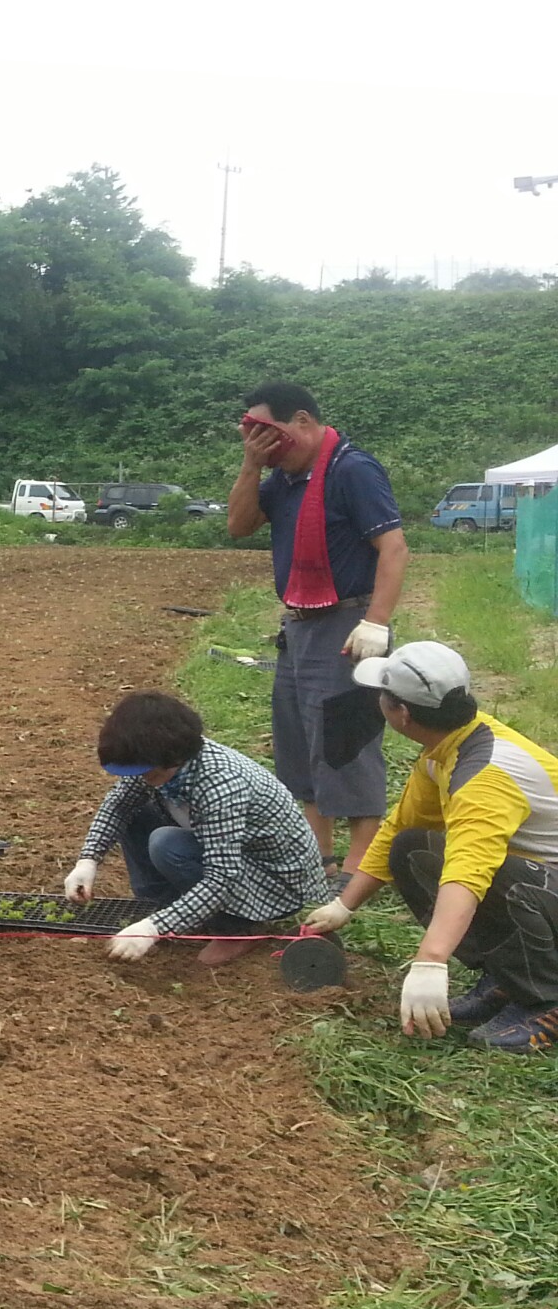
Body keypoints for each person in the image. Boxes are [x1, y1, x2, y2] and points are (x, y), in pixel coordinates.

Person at [303, 641, 558, 1052]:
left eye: (382, 696)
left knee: (493, 878)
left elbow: (467, 874)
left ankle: (547, 997)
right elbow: (402, 827)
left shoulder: (484, 778)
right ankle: (509, 977)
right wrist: (344, 904)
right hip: (545, 881)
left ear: (401, 713)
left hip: (541, 882)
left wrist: (431, 960)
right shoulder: (447, 747)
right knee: (412, 849)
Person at [227, 381, 407, 874]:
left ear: (303, 421)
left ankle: (359, 867)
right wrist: (251, 466)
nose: (266, 446)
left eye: (271, 434)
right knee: (299, 745)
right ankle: (318, 858)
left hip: (346, 622)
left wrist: (376, 622)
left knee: (344, 741)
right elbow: (239, 525)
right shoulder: (284, 479)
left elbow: (393, 548)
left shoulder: (352, 469)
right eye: (254, 438)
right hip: (300, 626)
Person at [64, 690, 329, 965]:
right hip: (229, 856)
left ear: (172, 758)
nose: (140, 778)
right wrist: (88, 860)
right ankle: (166, 908)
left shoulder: (220, 785)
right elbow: (118, 805)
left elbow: (222, 876)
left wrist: (152, 929)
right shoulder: (163, 764)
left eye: (145, 771)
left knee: (166, 844)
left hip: (272, 881)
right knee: (136, 811)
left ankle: (235, 928)